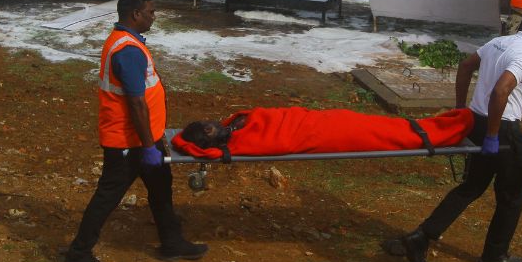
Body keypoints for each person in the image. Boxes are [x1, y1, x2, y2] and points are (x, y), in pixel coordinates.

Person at [59, 0, 207, 262]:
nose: (154, 17)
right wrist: (148, 145)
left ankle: (172, 242)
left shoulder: (127, 42)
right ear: (135, 14)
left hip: (143, 138)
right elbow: (136, 102)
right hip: (129, 141)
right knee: (107, 197)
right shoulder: (127, 50)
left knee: (161, 189)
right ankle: (77, 256)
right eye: (151, 12)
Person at [394, 3, 522, 262]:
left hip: (478, 123)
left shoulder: (499, 42)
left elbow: (466, 66)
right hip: (503, 132)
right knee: (512, 195)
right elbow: (501, 92)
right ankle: (494, 254)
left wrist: (460, 109)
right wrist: (491, 136)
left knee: (472, 187)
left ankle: (421, 237)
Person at [173, 105, 474, 157]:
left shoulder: (234, 125)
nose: (211, 122)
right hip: (323, 133)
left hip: (325, 120)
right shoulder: (238, 143)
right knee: (387, 134)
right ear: (207, 141)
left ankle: (436, 127)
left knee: (385, 126)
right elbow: (277, 140)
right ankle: (442, 131)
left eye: (206, 122)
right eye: (208, 129)